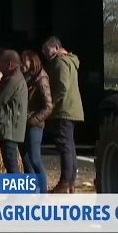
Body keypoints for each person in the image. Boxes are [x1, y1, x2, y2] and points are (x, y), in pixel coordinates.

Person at [42, 36, 84, 193]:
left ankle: (65, 182)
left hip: (63, 109)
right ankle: (70, 181)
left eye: (47, 50)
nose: (45, 54)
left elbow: (62, 86)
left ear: (56, 47)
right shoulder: (71, 61)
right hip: (73, 108)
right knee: (70, 145)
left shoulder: (60, 63)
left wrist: (51, 105)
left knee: (64, 146)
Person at [0, 50, 28, 173]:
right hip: (11, 127)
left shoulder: (12, 80)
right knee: (10, 162)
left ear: (10, 64)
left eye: (1, 64)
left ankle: (16, 191)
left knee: (11, 163)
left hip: (9, 129)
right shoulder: (17, 78)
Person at [21, 50, 53, 193]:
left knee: (35, 158)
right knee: (26, 158)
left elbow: (48, 107)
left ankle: (43, 192)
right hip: (26, 122)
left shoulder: (41, 80)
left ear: (32, 62)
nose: (22, 64)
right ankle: (32, 190)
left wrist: (33, 120)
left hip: (35, 124)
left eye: (24, 61)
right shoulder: (27, 78)